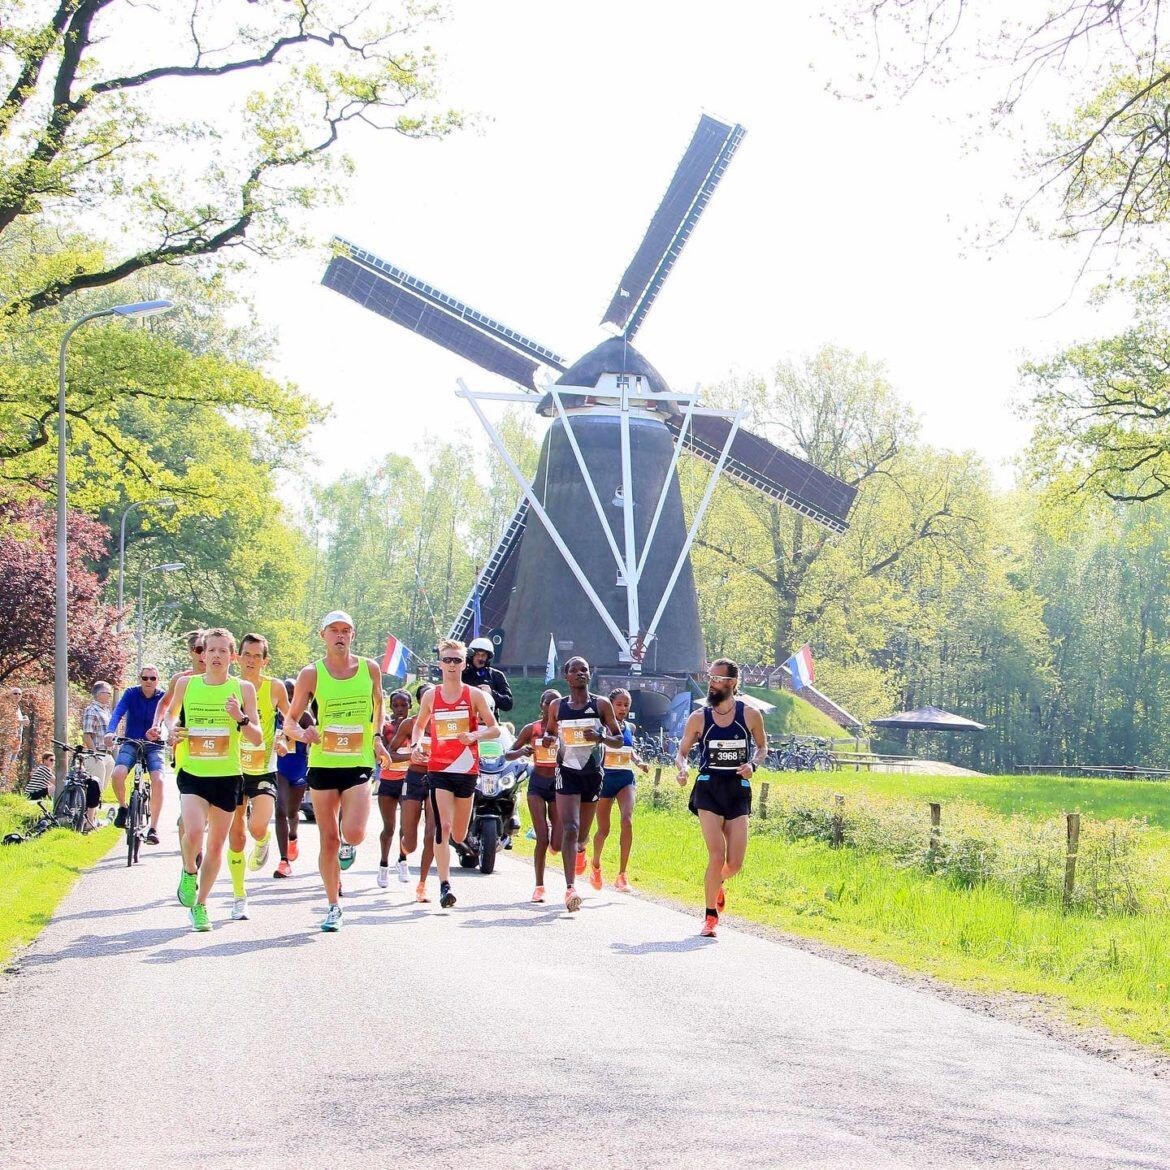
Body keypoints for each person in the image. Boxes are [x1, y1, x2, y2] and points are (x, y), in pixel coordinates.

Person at [284, 610, 390, 932]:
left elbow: (379, 705)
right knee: (327, 839)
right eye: (334, 630)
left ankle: (349, 842)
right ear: (323, 635)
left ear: (353, 635)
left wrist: (377, 739)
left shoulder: (369, 668)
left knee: (354, 832)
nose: (340, 635)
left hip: (358, 760)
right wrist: (304, 734)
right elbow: (290, 721)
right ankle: (333, 906)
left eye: (346, 630)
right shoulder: (311, 673)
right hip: (324, 762)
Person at [151, 628, 263, 932]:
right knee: (194, 832)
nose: (215, 656)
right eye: (210, 650)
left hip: (227, 776)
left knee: (215, 847)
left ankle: (200, 906)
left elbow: (256, 737)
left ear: (232, 656)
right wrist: (172, 730)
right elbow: (170, 715)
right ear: (203, 654)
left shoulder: (243, 689)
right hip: (194, 772)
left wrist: (240, 717)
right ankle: (189, 871)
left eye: (222, 650)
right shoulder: (187, 684)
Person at [675, 659, 768, 938]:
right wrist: (683, 768)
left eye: (717, 678)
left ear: (732, 682)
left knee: (735, 863)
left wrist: (753, 765)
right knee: (716, 855)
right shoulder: (698, 718)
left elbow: (762, 747)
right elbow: (682, 752)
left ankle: (716, 883)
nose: (711, 683)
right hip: (708, 788)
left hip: (737, 789)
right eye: (710, 677)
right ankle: (710, 917)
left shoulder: (750, 715)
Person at [411, 639, 499, 909]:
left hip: (466, 768)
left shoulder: (473, 695)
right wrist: (416, 745)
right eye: (447, 659)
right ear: (440, 663)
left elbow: (494, 728)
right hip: (439, 768)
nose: (451, 664)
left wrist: (474, 735)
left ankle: (459, 845)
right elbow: (419, 726)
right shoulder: (431, 696)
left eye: (457, 660)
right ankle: (444, 885)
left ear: (464, 663)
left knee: (458, 834)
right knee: (443, 826)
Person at [543, 657, 622, 912]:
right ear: (566, 676)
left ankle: (581, 850)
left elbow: (619, 739)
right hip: (566, 771)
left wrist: (601, 737)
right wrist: (547, 739)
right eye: (574, 670)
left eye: (584, 669)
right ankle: (570, 888)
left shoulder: (601, 704)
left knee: (582, 835)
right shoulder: (557, 706)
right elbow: (549, 731)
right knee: (570, 827)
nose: (580, 673)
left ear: (590, 674)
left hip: (592, 774)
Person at [230, 633, 291, 915]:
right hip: (231, 769)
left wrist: (284, 740)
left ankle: (264, 839)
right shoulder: (228, 687)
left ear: (265, 661)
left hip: (263, 768)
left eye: (257, 656)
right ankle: (239, 896)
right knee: (236, 836)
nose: (251, 661)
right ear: (237, 657)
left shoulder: (274, 687)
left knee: (256, 826)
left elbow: (291, 720)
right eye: (247, 655)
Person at [589, 687, 649, 893]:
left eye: (626, 705)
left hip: (625, 777)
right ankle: (596, 865)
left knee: (627, 820)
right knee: (603, 830)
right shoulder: (602, 726)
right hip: (605, 778)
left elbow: (630, 750)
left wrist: (639, 763)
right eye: (619, 704)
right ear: (610, 705)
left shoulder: (630, 727)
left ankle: (622, 875)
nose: (623, 708)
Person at [506, 688, 563, 903]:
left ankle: (553, 832)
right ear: (542, 705)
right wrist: (522, 752)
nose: (552, 707)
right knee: (542, 838)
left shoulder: (564, 729)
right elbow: (508, 753)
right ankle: (539, 887)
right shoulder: (532, 729)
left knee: (556, 844)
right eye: (548, 703)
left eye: (556, 703)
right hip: (537, 784)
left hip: (557, 786)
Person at [105, 665, 166, 841]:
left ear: (158, 680)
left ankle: (153, 828)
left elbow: (170, 717)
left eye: (152, 678)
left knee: (158, 781)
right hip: (131, 742)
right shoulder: (131, 693)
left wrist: (167, 735)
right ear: (140, 679)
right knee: (117, 774)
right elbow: (118, 712)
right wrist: (110, 731)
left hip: (154, 744)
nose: (148, 681)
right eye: (145, 678)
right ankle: (123, 807)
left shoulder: (163, 697)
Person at [387, 683, 435, 902]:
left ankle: (422, 885)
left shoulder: (446, 723)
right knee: (411, 842)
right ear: (420, 702)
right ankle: (403, 854)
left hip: (437, 780)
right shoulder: (410, 724)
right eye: (426, 698)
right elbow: (390, 753)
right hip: (414, 778)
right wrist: (411, 756)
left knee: (431, 835)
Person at [273, 677, 312, 878]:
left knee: (292, 812)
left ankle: (293, 836)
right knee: (280, 809)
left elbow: (315, 739)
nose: (289, 699)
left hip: (299, 770)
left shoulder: (304, 717)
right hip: (278, 768)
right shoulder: (273, 716)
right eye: (286, 694)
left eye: (292, 695)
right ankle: (283, 861)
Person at [376, 689, 412, 888]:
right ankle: (383, 864)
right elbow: (383, 755)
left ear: (410, 706)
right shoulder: (385, 728)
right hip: (388, 780)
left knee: (406, 827)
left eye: (403, 705)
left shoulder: (414, 727)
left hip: (408, 780)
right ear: (390, 707)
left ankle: (402, 860)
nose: (399, 709)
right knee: (388, 828)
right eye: (396, 705)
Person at [81, 681, 114, 830]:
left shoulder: (106, 710)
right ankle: (88, 821)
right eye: (108, 693)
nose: (110, 696)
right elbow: (87, 734)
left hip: (107, 754)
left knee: (101, 789)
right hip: (97, 754)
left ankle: (94, 818)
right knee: (94, 788)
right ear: (100, 694)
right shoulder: (91, 710)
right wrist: (94, 752)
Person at [462, 636, 513, 713]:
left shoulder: (497, 675)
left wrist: (491, 693)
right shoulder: (462, 674)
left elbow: (508, 703)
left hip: (490, 718)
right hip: (467, 717)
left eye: (483, 655)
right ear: (471, 656)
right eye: (477, 654)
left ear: (488, 658)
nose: (480, 658)